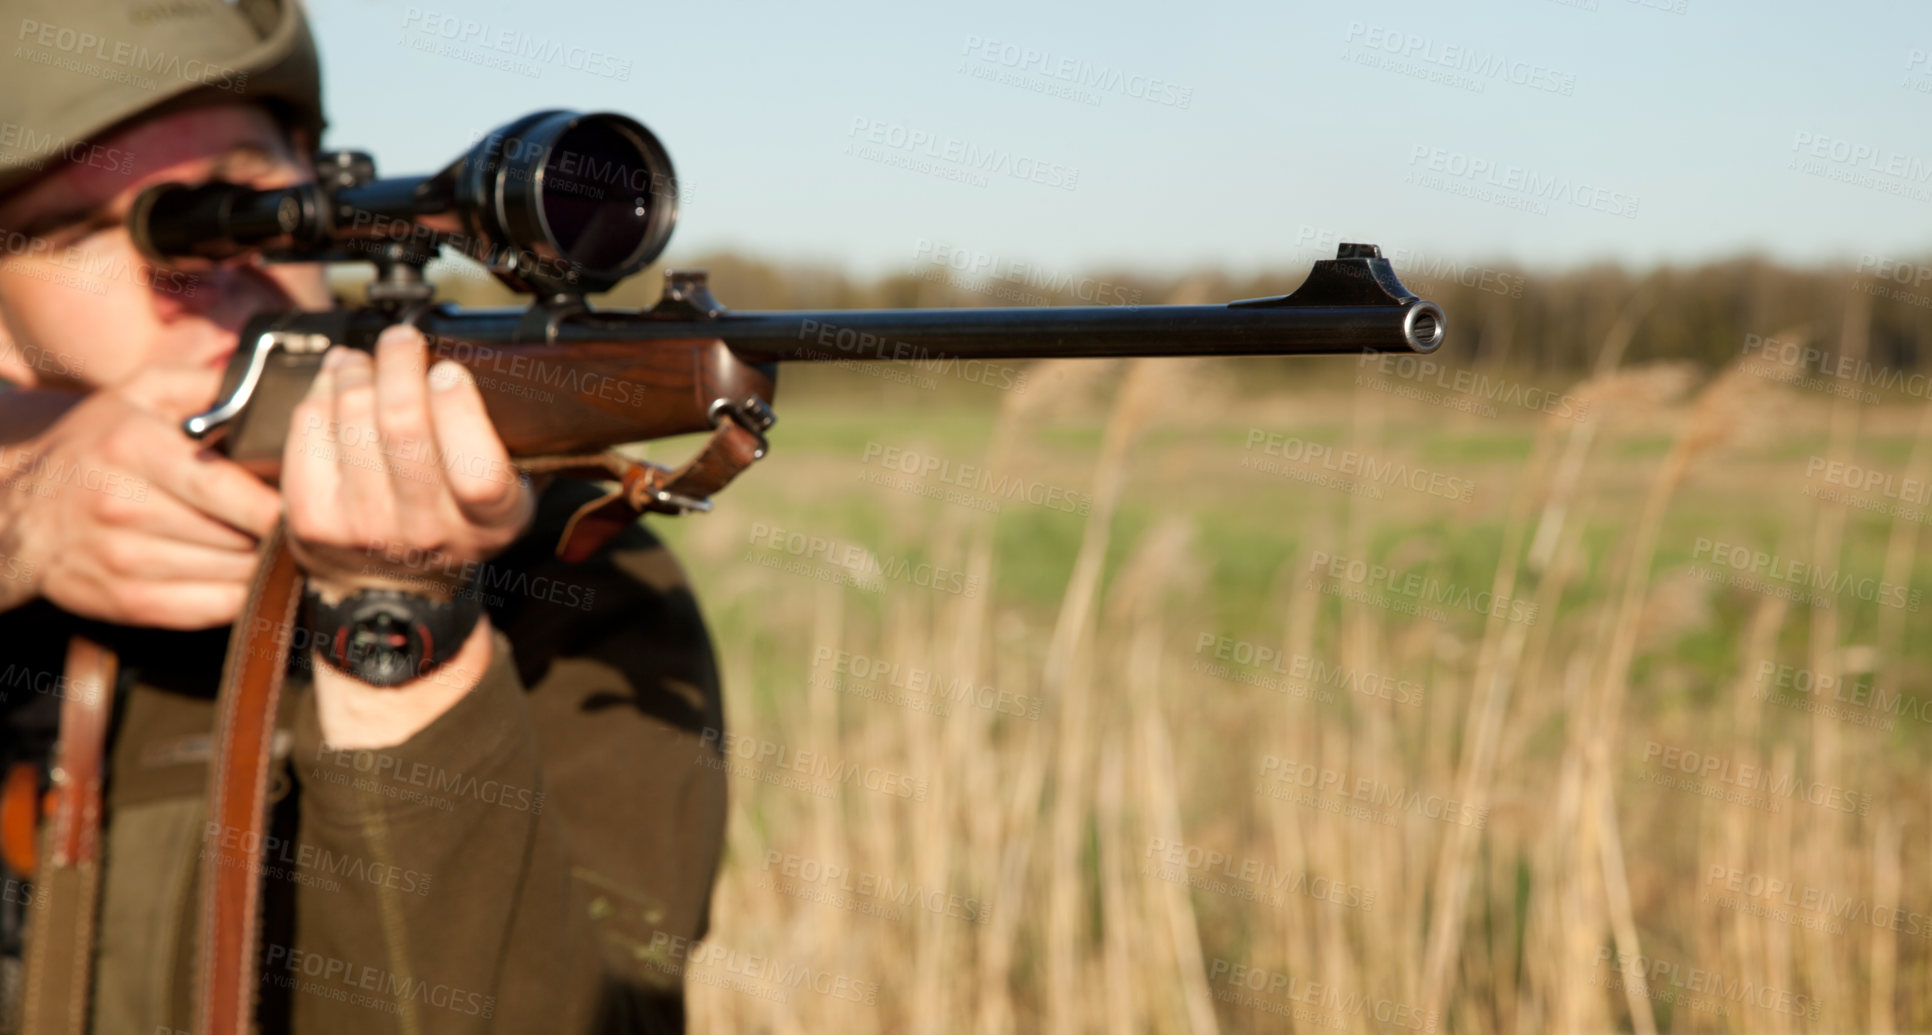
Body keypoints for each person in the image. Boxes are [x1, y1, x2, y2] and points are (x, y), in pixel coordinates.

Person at [0, 1, 727, 1031]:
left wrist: (403, 637)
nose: (199, 266)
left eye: (243, 196)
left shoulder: (570, 575)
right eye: (77, 226)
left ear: (316, 186)